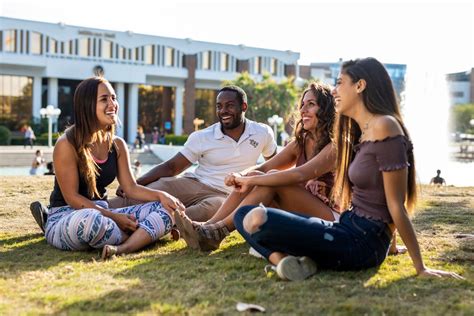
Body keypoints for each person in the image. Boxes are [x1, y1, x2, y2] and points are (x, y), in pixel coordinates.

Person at [233, 58, 464, 281]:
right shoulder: (361, 131)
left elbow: (396, 204)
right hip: (345, 225)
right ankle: (284, 261)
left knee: (256, 218)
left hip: (363, 242)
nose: (334, 91)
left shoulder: (386, 126)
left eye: (340, 83)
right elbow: (376, 193)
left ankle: (283, 255)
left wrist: (420, 267)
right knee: (244, 215)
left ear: (360, 86)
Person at [29, 77, 184, 259]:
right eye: (104, 99)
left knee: (167, 209)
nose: (113, 104)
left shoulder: (117, 144)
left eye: (114, 98)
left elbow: (131, 188)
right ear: (87, 105)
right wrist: (115, 218)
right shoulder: (66, 143)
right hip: (69, 216)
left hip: (106, 213)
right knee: (92, 222)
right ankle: (146, 235)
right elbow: (72, 198)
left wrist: (161, 196)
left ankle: (125, 246)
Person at [175, 82, 339, 251]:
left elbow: (300, 174)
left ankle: (218, 232)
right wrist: (241, 175)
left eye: (311, 104)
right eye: (302, 105)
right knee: (255, 174)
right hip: (304, 209)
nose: (303, 110)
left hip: (330, 218)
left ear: (326, 109)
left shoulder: (336, 146)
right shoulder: (301, 141)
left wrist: (253, 180)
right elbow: (263, 168)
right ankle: (207, 227)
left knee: (269, 182)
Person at [108, 85, 277, 222]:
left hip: (227, 195)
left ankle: (158, 225)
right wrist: (135, 184)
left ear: (244, 107)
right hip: (195, 183)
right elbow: (172, 167)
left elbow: (276, 164)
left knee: (210, 209)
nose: (223, 111)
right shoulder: (203, 136)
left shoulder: (262, 133)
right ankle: (96, 209)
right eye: (219, 106)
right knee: (160, 188)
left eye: (230, 105)